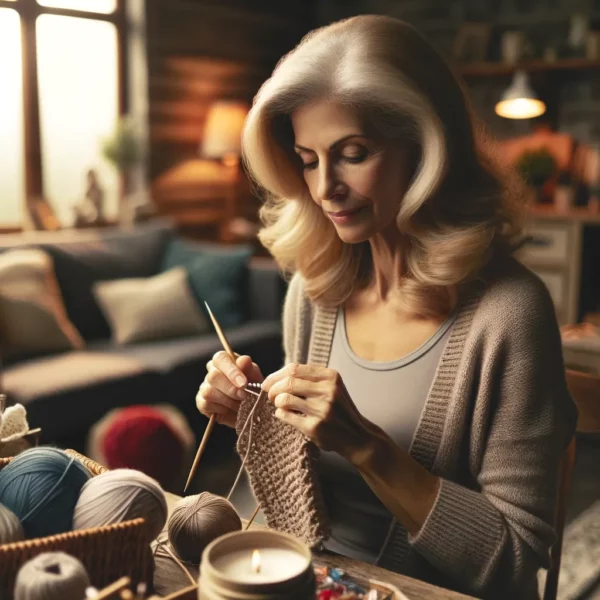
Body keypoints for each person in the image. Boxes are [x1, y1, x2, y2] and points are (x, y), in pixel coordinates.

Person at [196, 15, 577, 599]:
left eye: (353, 153)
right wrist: (253, 414)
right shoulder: (315, 290)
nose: (325, 189)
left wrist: (368, 446)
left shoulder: (508, 314)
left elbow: (517, 564)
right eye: (308, 159)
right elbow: (303, 500)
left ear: (426, 148)